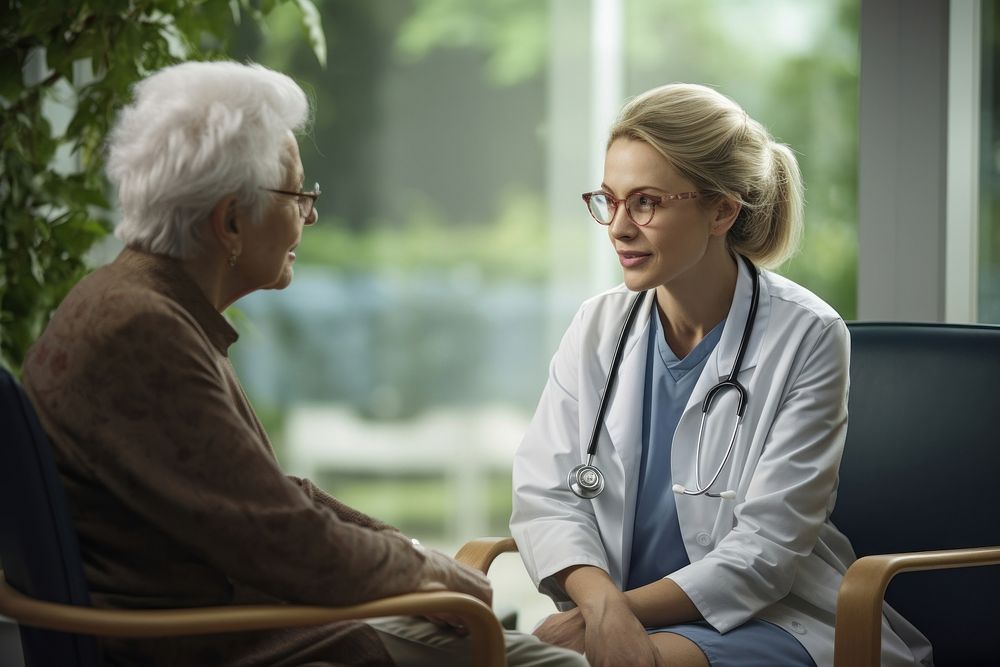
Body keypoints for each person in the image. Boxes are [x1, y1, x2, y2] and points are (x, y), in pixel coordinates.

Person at [21, 60, 586, 667]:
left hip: (229, 621)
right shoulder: (145, 331)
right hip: (220, 642)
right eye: (297, 194)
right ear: (231, 222)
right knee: (555, 664)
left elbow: (264, 499)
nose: (309, 215)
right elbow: (281, 539)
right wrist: (421, 570)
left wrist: (409, 557)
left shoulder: (129, 300)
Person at [509, 83, 933, 667]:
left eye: (646, 202)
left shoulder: (807, 335)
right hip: (621, 612)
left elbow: (766, 552)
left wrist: (608, 615)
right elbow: (548, 495)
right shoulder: (597, 324)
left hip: (769, 616)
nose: (619, 228)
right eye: (609, 200)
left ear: (723, 210)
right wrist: (602, 606)